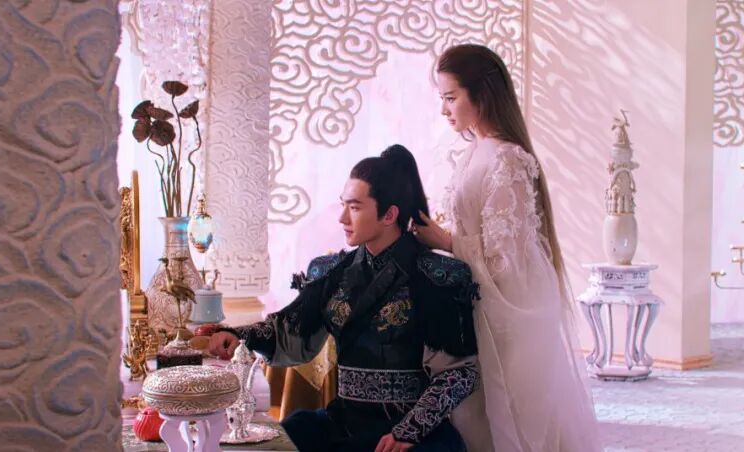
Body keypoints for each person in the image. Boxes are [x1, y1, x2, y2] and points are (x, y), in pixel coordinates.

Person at [209, 145, 481, 452]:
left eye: (354, 207)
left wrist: (411, 430)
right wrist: (237, 335)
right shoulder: (332, 272)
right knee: (285, 436)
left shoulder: (437, 276)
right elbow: (288, 330)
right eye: (343, 205)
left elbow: (460, 370)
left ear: (389, 214)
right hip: (344, 423)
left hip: (409, 430)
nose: (341, 218)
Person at [413, 44, 598, 451]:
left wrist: (445, 241)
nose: (444, 110)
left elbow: (504, 260)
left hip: (510, 307)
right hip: (481, 299)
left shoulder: (507, 159)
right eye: (442, 98)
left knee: (511, 418)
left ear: (481, 94)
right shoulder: (474, 152)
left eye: (450, 98)